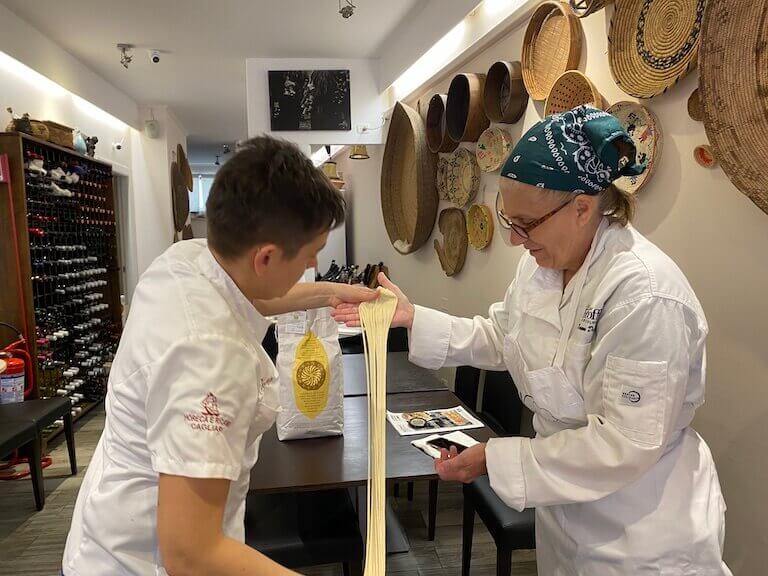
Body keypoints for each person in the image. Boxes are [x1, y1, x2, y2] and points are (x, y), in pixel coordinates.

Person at [333, 106, 732, 575]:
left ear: (582, 207)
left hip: (642, 532)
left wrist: (496, 459)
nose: (516, 240)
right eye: (509, 220)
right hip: (564, 514)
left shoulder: (644, 295)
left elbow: (623, 445)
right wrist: (412, 318)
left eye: (525, 224)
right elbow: (503, 336)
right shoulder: (543, 267)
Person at [62, 136, 377, 576]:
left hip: (105, 528)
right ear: (266, 257)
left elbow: (258, 296)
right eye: (311, 256)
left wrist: (335, 293)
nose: (313, 264)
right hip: (136, 561)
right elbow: (192, 552)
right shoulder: (211, 356)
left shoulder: (189, 257)